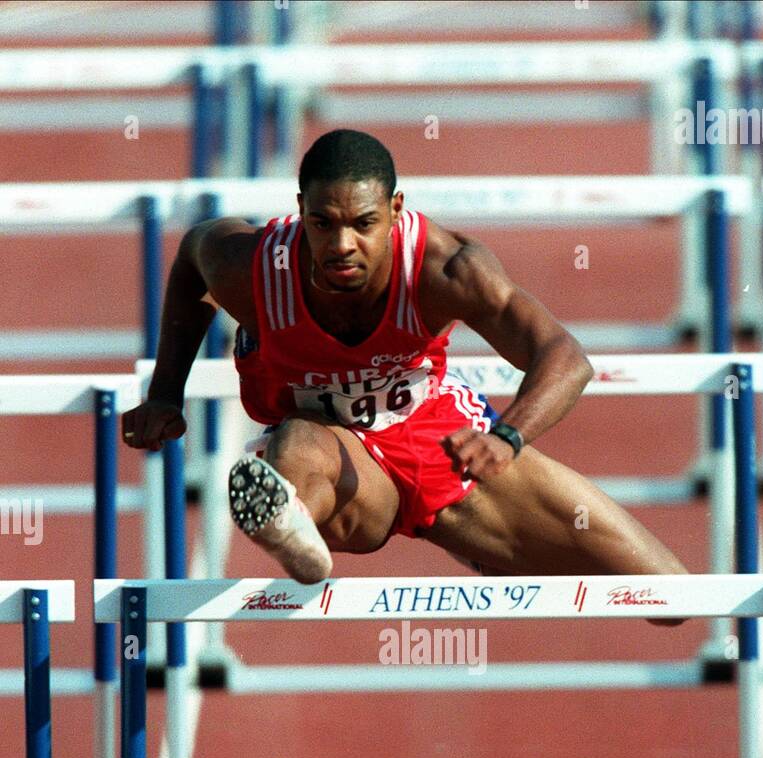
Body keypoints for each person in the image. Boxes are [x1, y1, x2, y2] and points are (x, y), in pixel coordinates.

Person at [121, 128, 687, 616]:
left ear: (395, 210)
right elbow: (194, 256)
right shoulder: (253, 264)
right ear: (300, 210)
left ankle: (473, 543)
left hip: (438, 439)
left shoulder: (446, 269)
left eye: (363, 224)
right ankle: (291, 524)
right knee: (296, 444)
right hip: (338, 459)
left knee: (669, 597)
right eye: (323, 224)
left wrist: (507, 437)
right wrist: (166, 393)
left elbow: (565, 358)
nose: (342, 245)